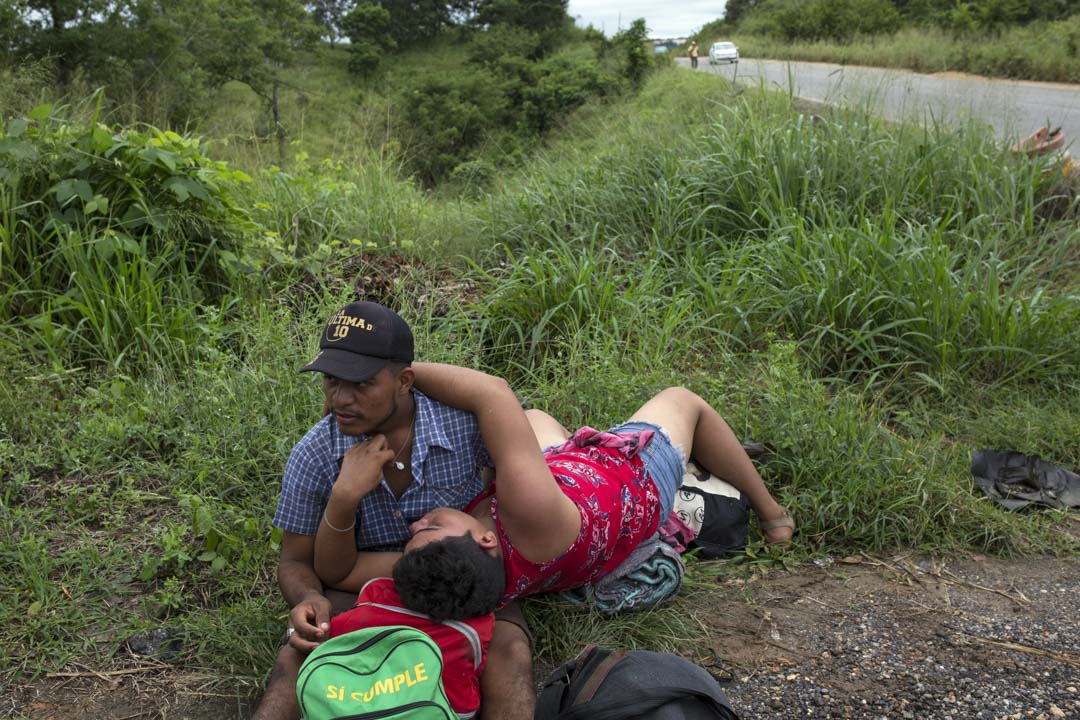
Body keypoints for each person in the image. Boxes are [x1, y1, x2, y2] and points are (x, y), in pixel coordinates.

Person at [316, 362, 794, 623]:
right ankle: (774, 516)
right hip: (629, 480)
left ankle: (576, 452)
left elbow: (338, 571)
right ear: (485, 539)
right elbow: (492, 392)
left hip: (564, 486)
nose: (417, 524)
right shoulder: (529, 513)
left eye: (419, 530)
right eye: (433, 527)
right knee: (683, 401)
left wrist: (343, 499)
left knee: (535, 418)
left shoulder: (459, 569)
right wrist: (390, 375)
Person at [251, 303, 534, 720]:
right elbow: (295, 559)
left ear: (403, 382)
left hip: (459, 580)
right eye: (331, 380)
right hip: (360, 585)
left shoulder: (464, 424)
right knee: (296, 659)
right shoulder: (315, 454)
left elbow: (516, 485)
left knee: (509, 651)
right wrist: (309, 597)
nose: (340, 399)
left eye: (361, 384)